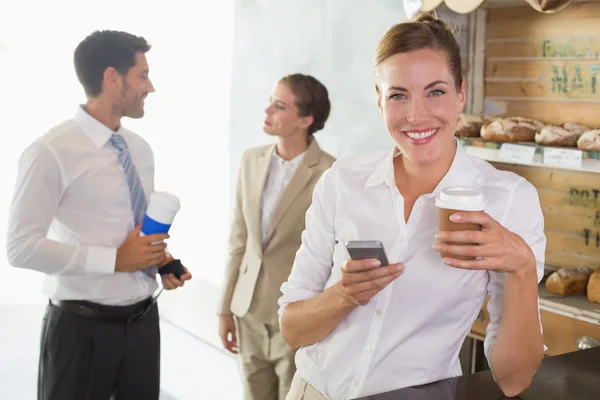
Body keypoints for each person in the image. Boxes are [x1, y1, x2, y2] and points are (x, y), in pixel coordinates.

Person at [278, 12, 546, 400]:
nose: (416, 115)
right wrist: (345, 295)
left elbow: (514, 379)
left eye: (435, 91)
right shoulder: (343, 181)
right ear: (379, 100)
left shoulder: (508, 199)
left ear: (461, 94)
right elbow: (292, 330)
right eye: (398, 95)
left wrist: (522, 267)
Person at [6, 30, 192, 400]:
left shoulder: (139, 149)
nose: (150, 87)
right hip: (80, 329)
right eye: (142, 75)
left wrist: (157, 260)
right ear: (112, 77)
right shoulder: (50, 151)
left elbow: (126, 230)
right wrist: (115, 260)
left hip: (142, 324)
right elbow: (20, 248)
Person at [217, 73, 336, 400]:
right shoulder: (251, 160)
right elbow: (238, 239)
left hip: (295, 314)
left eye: (280, 105)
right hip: (247, 310)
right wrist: (224, 307)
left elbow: (330, 256)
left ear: (305, 120)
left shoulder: (330, 173)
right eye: (271, 100)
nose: (267, 110)